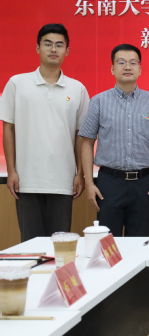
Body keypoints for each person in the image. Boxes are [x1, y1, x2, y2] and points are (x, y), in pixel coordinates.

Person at [0, 23, 89, 242]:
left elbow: (81, 135)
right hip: (27, 179)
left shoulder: (77, 89)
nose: (53, 49)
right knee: (30, 245)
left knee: (60, 246)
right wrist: (11, 171)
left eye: (59, 45)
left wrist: (79, 173)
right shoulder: (17, 83)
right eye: (47, 44)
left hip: (63, 181)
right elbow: (8, 128)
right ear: (37, 48)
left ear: (67, 50)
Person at [79, 44, 149, 237]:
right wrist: (89, 183)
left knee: (139, 242)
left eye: (132, 63)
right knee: (107, 243)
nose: (127, 67)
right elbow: (87, 142)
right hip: (109, 183)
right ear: (112, 69)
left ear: (140, 69)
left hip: (143, 183)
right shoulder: (99, 101)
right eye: (121, 62)